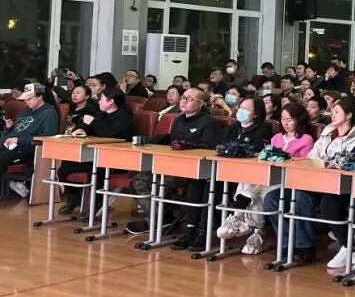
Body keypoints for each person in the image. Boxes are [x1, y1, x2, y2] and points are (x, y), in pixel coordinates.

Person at [261, 97, 355, 263]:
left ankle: (305, 247)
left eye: (337, 112)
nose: (332, 114)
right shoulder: (327, 131)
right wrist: (319, 162)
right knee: (271, 198)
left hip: (336, 185)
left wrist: (323, 162)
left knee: (302, 196)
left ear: (349, 115)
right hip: (313, 180)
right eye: (332, 111)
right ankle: (287, 245)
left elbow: (343, 161)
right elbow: (312, 156)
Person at [174, 96, 271, 251]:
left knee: (212, 187)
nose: (241, 111)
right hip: (221, 169)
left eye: (247, 109)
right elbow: (218, 146)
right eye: (241, 107)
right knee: (197, 182)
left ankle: (203, 232)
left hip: (244, 175)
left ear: (256, 113)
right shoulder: (232, 127)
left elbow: (255, 152)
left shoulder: (263, 130)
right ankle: (190, 229)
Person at [125, 88, 223, 234]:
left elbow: (209, 148)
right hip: (172, 164)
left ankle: (158, 220)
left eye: (190, 99)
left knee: (142, 182)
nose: (184, 101)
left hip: (192, 169)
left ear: (201, 103)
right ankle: (162, 217)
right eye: (183, 97)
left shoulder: (209, 122)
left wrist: (187, 146)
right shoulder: (179, 119)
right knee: (135, 176)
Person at [225, 103, 316, 255]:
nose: (285, 123)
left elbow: (304, 164)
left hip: (290, 180)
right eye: (283, 119)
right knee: (260, 189)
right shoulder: (276, 138)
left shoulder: (306, 139)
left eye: (289, 119)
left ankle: (238, 214)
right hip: (271, 179)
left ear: (299, 120)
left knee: (256, 189)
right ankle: (280, 241)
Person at [58, 89, 134, 216]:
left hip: (117, 160)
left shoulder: (124, 117)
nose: (99, 102)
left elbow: (110, 134)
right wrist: (80, 130)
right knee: (64, 169)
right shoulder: (100, 114)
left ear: (111, 101)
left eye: (102, 99)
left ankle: (96, 204)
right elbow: (85, 126)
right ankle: (76, 198)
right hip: (96, 156)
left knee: (97, 171)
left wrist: (92, 122)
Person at [1, 84, 59, 197]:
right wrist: (8, 128)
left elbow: (48, 137)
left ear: (40, 96)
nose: (26, 101)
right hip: (10, 145)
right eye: (25, 99)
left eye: (29, 98)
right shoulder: (25, 111)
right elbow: (17, 131)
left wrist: (19, 140)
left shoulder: (49, 113)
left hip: (27, 149)